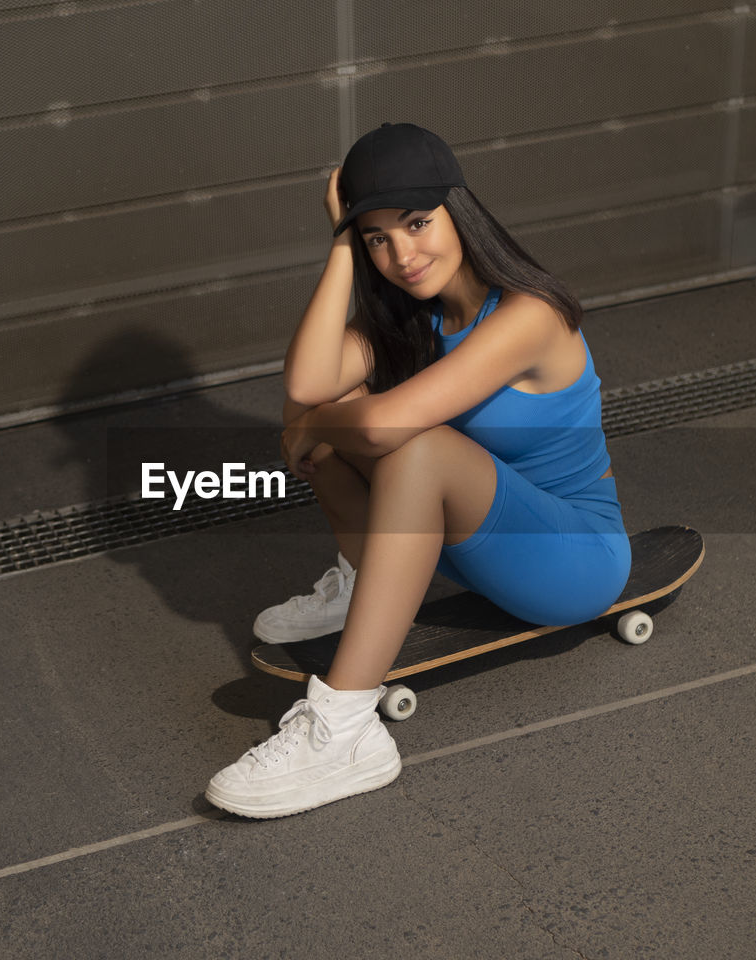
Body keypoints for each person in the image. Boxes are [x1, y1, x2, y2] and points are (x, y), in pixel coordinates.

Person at [205, 122, 631, 818]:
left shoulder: (531, 314)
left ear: (459, 211)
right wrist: (341, 243)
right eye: (378, 237)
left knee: (407, 439)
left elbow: (378, 426)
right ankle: (365, 583)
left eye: (417, 223)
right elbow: (308, 382)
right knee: (330, 403)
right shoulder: (415, 321)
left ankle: (345, 729)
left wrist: (319, 424)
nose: (402, 254)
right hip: (484, 548)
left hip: (574, 561)